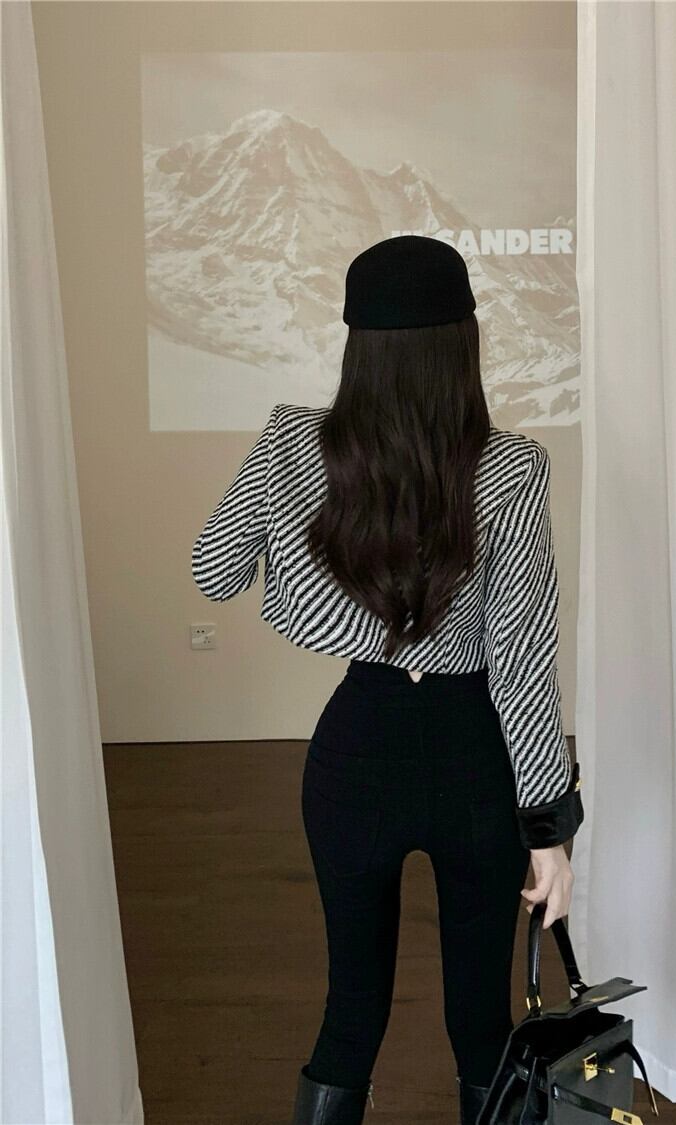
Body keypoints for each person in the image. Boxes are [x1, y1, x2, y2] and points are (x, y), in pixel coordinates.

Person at [191, 235, 585, 1125]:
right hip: (475, 764)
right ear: (463, 343)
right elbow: (522, 663)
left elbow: (216, 570)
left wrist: (310, 523)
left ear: (357, 344)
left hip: (354, 756)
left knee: (350, 1014)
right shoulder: (511, 466)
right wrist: (550, 831)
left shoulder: (294, 441)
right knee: (482, 1025)